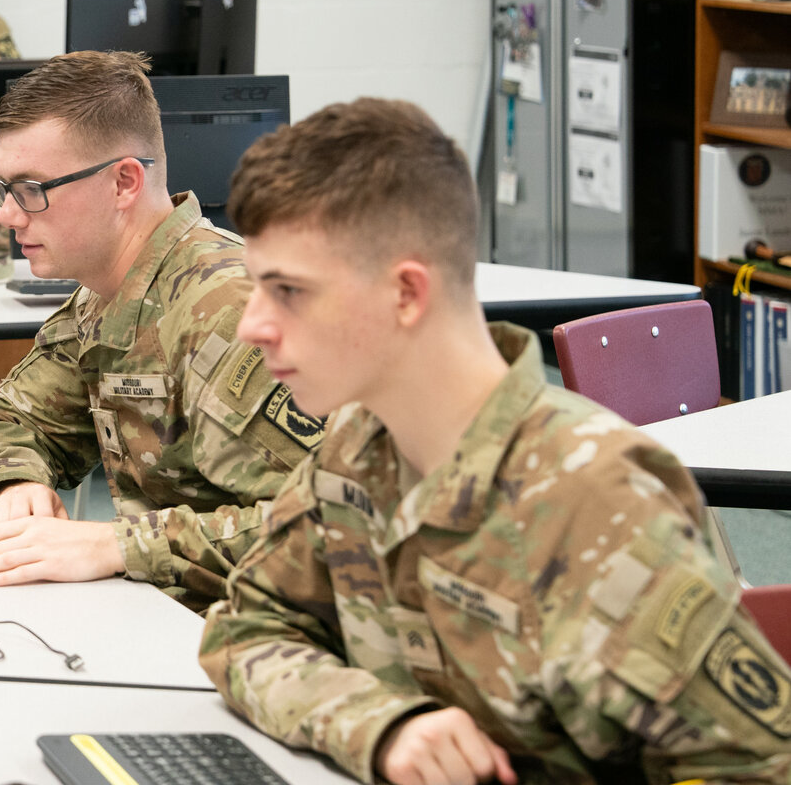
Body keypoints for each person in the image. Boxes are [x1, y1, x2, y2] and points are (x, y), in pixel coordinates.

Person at [200, 97, 791, 784]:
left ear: (407, 294)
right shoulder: (359, 448)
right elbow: (247, 628)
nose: (252, 325)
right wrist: (384, 727)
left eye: (288, 291)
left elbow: (755, 771)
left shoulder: (597, 502)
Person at [0, 51, 321, 613]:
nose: (9, 215)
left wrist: (119, 543)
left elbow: (326, 530)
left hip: (270, 645)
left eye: (30, 189)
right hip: (171, 620)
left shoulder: (227, 313)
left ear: (124, 182)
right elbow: (12, 419)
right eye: (3, 188)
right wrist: (14, 486)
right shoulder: (106, 292)